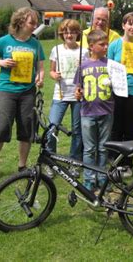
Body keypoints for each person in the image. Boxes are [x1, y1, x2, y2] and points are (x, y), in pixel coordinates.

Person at [0, 7, 45, 183]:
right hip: (7, 90)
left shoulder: (35, 43)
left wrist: (40, 78)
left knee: (26, 130)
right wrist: (2, 62)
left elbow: (40, 67)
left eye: (35, 22)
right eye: (31, 22)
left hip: (28, 92)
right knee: (2, 127)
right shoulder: (4, 41)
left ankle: (22, 167)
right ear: (20, 22)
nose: (35, 25)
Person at [107, 12, 133, 177]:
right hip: (117, 91)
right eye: (129, 24)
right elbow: (107, 68)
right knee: (115, 128)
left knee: (130, 129)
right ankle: (113, 163)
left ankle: (127, 165)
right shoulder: (114, 45)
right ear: (123, 25)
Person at [74, 30, 114, 191]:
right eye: (102, 44)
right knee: (89, 148)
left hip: (106, 111)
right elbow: (78, 88)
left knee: (104, 147)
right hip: (88, 113)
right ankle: (89, 179)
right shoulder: (83, 66)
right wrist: (78, 93)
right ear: (91, 46)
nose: (105, 47)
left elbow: (119, 85)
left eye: (106, 44)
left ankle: (103, 177)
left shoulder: (110, 64)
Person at [45, 19, 82, 178]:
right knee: (51, 127)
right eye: (66, 32)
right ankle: (50, 161)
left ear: (77, 34)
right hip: (60, 94)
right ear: (62, 34)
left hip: (78, 95)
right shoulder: (56, 49)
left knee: (77, 130)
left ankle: (74, 162)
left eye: (72, 31)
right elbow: (51, 71)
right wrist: (55, 75)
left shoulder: (84, 51)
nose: (69, 34)